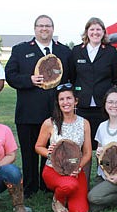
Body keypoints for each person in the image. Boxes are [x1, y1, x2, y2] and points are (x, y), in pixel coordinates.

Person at [5, 15, 73, 199]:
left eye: (48, 26)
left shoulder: (64, 51)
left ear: (53, 28)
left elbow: (70, 79)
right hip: (28, 112)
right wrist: (29, 80)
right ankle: (29, 186)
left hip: (54, 113)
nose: (44, 29)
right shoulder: (21, 50)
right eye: (41, 26)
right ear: (35, 29)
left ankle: (47, 184)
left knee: (51, 150)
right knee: (28, 152)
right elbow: (10, 76)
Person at [70, 17, 117, 184]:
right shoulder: (77, 51)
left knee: (104, 145)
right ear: (87, 32)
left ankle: (105, 178)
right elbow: (72, 76)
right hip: (83, 106)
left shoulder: (110, 52)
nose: (95, 33)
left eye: (98, 29)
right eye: (92, 29)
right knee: (84, 147)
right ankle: (82, 182)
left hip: (103, 107)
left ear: (103, 33)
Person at [35, 83, 92, 212]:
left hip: (75, 170)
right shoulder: (50, 123)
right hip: (53, 170)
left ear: (75, 101)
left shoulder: (84, 123)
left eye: (69, 98)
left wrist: (79, 167)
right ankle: (58, 199)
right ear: (58, 102)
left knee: (80, 211)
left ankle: (67, 194)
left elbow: (87, 152)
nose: (65, 102)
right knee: (70, 185)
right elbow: (38, 147)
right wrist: (49, 153)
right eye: (62, 99)